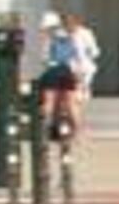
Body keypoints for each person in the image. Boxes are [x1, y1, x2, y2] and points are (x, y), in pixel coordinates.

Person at [33, 11, 83, 141]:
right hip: (67, 71)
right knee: (71, 104)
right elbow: (75, 57)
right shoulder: (68, 36)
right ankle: (77, 134)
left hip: (53, 71)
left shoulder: (49, 38)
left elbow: (44, 58)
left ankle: (43, 131)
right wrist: (77, 75)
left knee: (48, 102)